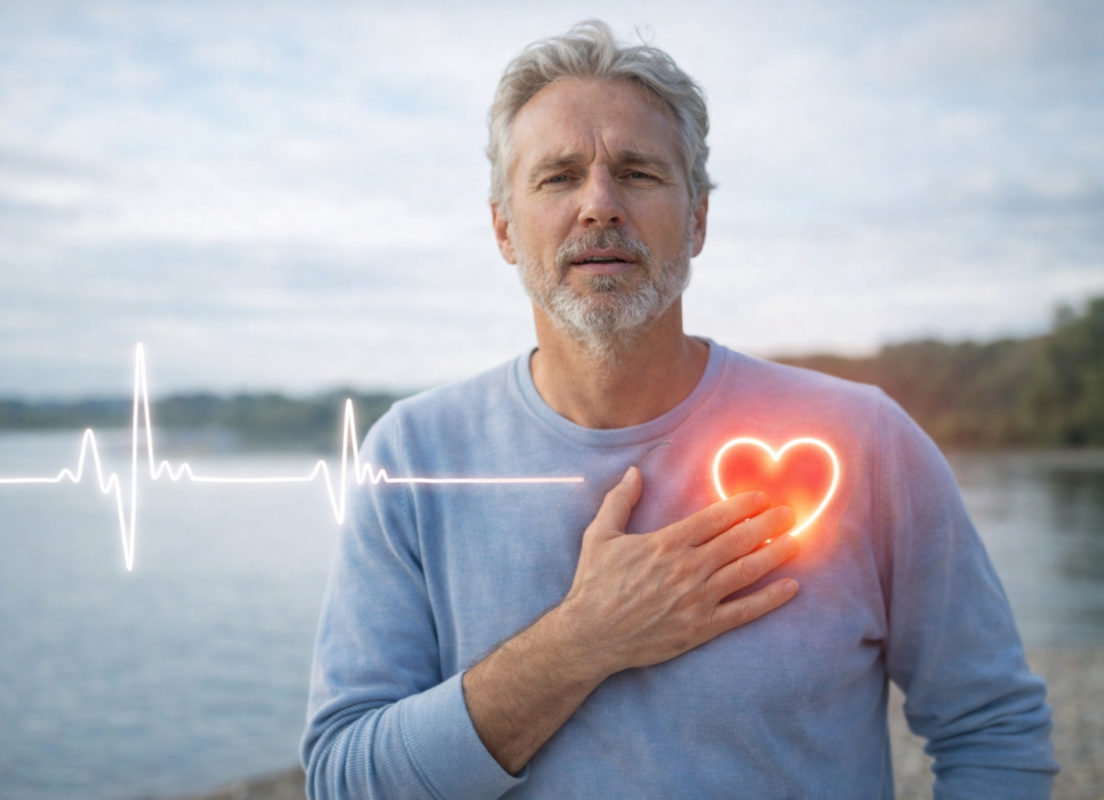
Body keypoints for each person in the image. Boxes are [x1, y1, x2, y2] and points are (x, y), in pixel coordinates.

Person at [302, 20, 1057, 799]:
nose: (599, 204)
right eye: (559, 177)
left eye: (637, 172)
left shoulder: (864, 441)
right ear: (503, 228)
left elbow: (990, 727)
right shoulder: (413, 459)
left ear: (697, 219)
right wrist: (581, 640)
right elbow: (343, 780)